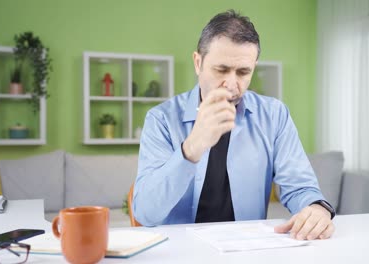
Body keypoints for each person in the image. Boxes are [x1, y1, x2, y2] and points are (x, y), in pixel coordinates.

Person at [133, 9, 335, 240]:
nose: (231, 84)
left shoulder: (275, 115)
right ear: (198, 63)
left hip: (247, 248)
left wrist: (317, 208)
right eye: (221, 69)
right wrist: (191, 148)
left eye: (243, 72)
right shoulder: (161, 119)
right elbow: (146, 213)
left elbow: (300, 187)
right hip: (181, 251)